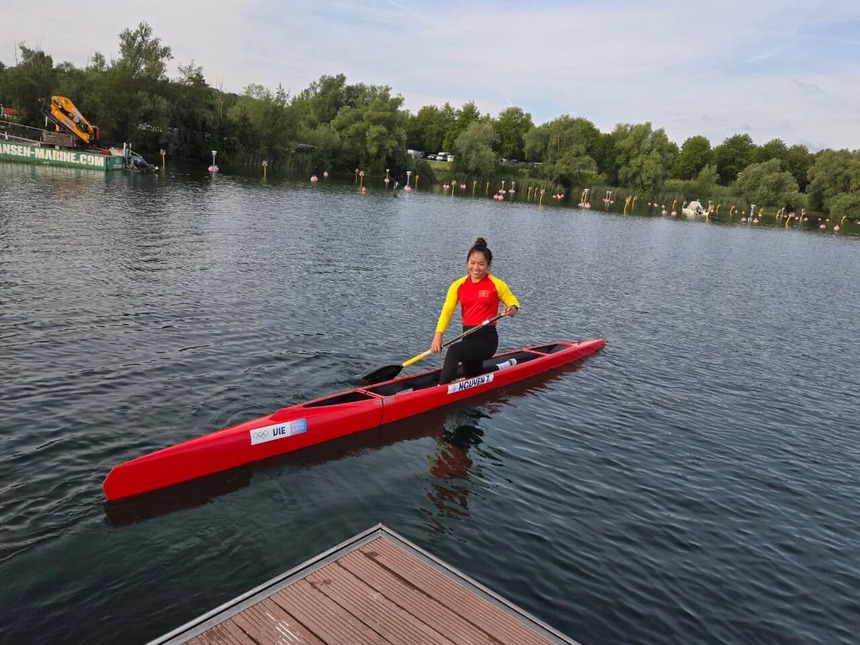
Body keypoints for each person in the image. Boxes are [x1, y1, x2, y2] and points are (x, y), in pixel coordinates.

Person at [431, 238, 519, 384]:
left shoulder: (496, 284)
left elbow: (514, 303)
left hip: (487, 339)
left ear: (488, 265)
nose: (476, 268)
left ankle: (441, 388)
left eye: (481, 264)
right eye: (472, 263)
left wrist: (512, 309)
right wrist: (437, 336)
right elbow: (446, 312)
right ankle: (503, 366)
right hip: (468, 337)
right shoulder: (457, 285)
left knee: (454, 351)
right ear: (467, 263)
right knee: (473, 376)